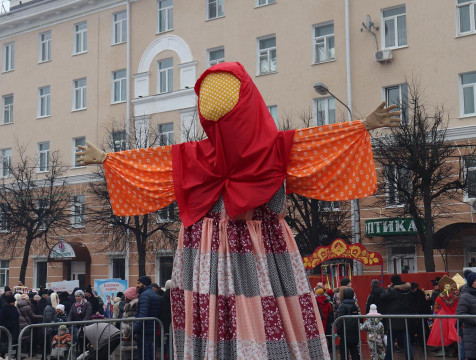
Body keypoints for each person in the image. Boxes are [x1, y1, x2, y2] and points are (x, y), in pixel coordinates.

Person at [77, 62, 400, 360]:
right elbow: (151, 163)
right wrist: (108, 159)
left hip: (242, 247)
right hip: (218, 249)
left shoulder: (268, 147)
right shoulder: (195, 154)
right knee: (227, 311)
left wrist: (361, 127)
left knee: (258, 309)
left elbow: (319, 145)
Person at [380, 275, 413, 360]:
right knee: (407, 341)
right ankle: (409, 357)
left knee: (390, 341)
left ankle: (388, 358)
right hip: (405, 319)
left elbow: (383, 297)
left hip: (393, 320)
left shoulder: (392, 291)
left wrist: (388, 288)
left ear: (393, 282)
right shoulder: (408, 290)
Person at [427, 275, 459, 357]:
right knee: (448, 334)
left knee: (445, 334)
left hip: (444, 317)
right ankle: (451, 350)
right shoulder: (456, 295)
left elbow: (437, 304)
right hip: (452, 316)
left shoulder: (441, 296)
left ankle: (449, 350)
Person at [134, 276, 160, 360]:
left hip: (143, 331)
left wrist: (134, 329)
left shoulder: (144, 296)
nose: (136, 285)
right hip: (152, 330)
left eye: (139, 283)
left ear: (144, 285)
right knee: (151, 354)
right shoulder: (154, 294)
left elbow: (142, 315)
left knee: (144, 355)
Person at [456, 271, 476, 360]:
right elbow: (460, 313)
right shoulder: (465, 296)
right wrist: (474, 319)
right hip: (471, 332)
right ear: (471, 282)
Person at [336, 288, 361, 360]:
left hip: (345, 332)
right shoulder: (355, 305)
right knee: (354, 350)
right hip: (354, 332)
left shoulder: (342, 306)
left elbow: (340, 320)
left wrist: (339, 331)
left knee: (344, 352)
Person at [409, 282, 431, 347]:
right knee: (422, 331)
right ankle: (423, 343)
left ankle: (421, 343)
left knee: (420, 331)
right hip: (420, 315)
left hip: (416, 315)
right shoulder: (420, 293)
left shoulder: (411, 294)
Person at [120, 287, 139, 360]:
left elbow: (132, 322)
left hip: (129, 339)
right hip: (130, 338)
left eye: (126, 296)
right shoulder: (131, 305)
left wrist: (125, 333)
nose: (124, 298)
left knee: (129, 356)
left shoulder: (132, 306)